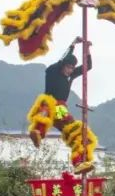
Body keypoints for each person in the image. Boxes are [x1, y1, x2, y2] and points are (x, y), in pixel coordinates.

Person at [26, 37, 97, 174]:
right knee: (47, 106)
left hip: (60, 110)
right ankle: (38, 132)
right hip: (48, 104)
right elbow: (61, 61)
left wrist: (87, 49)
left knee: (77, 132)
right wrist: (72, 45)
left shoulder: (70, 76)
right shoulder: (53, 71)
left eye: (72, 68)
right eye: (68, 67)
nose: (70, 70)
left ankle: (79, 162)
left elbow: (88, 66)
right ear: (63, 65)